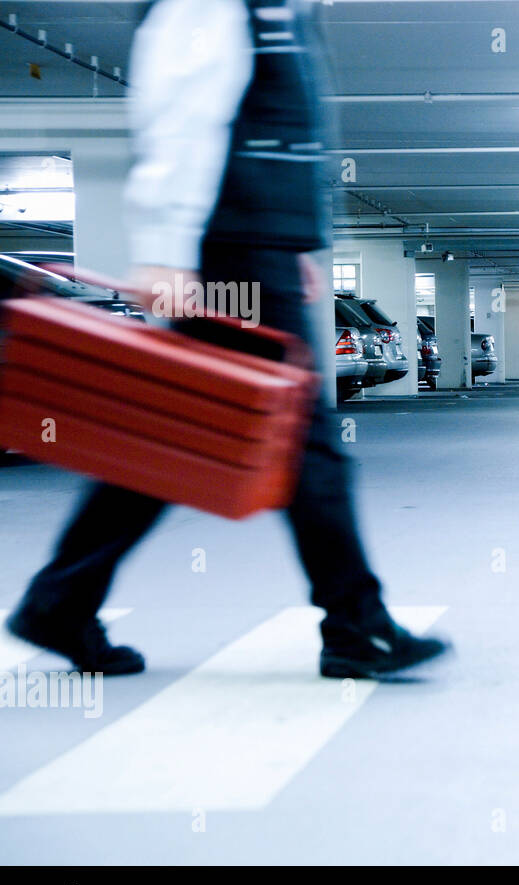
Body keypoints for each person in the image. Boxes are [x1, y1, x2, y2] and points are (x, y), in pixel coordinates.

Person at [5, 0, 448, 679]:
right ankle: (356, 624)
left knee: (177, 430)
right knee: (303, 434)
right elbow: (185, 114)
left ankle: (61, 601)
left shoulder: (283, 7)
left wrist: (292, 239)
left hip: (253, 241)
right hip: (227, 246)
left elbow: (285, 122)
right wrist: (165, 251)